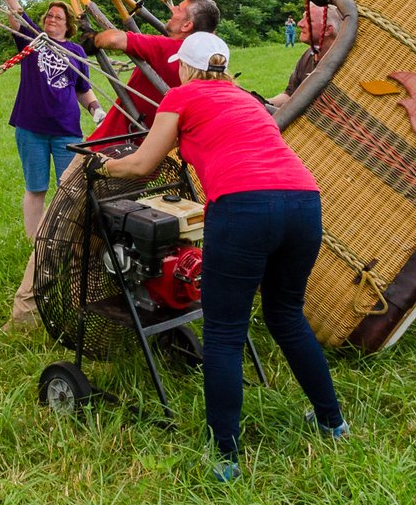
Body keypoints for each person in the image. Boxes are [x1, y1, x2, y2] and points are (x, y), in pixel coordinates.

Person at [101, 32, 347, 480]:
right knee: (287, 316)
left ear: (188, 67)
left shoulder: (181, 94)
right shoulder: (247, 100)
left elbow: (141, 165)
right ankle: (333, 422)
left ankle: (226, 458)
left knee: (224, 332)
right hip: (304, 203)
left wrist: (103, 166)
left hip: (243, 207)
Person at [0, 0, 100, 328]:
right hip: (31, 127)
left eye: (59, 17)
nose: (52, 19)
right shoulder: (32, 41)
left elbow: (83, 90)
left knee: (69, 189)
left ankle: (70, 243)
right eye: (49, 16)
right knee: (35, 188)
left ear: (68, 25)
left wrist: (96, 110)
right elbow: (12, 6)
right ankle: (37, 245)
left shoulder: (75, 53)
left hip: (68, 130)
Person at [86, 0, 218, 140]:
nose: (173, 9)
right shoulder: (207, 56)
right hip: (159, 148)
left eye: (178, 9)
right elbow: (209, 13)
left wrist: (94, 38)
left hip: (113, 141)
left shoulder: (166, 48)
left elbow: (113, 39)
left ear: (187, 25)